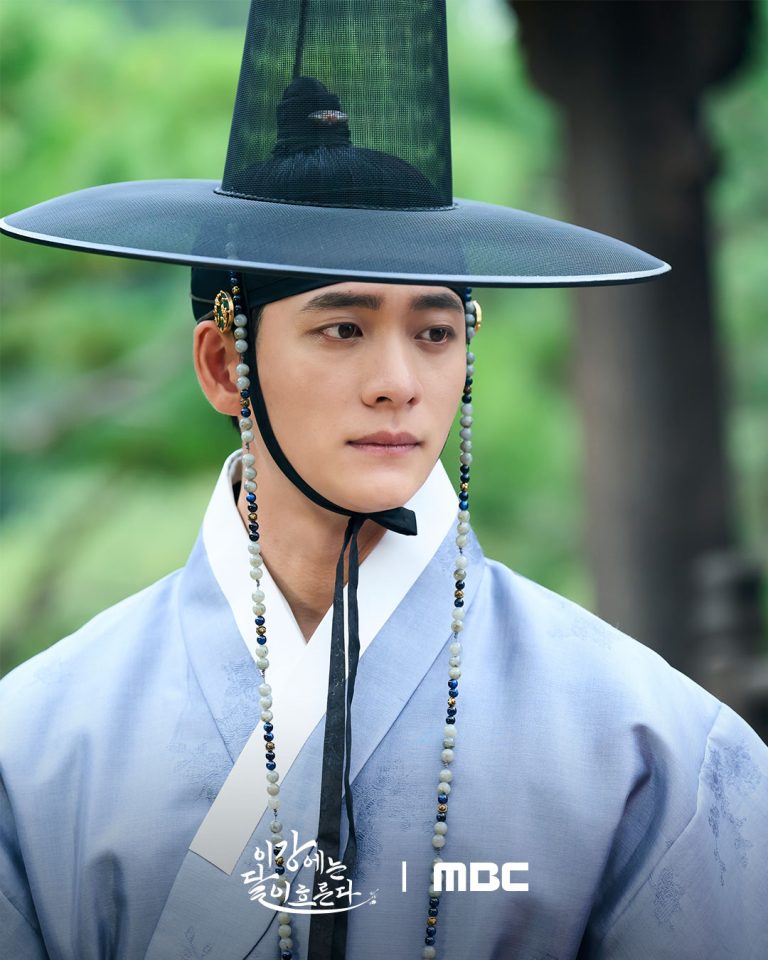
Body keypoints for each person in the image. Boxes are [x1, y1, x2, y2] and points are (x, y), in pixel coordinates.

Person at [1, 2, 766, 959]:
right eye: (343, 328)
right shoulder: (36, 742)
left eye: (436, 332)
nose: (399, 382)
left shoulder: (652, 747)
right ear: (225, 365)